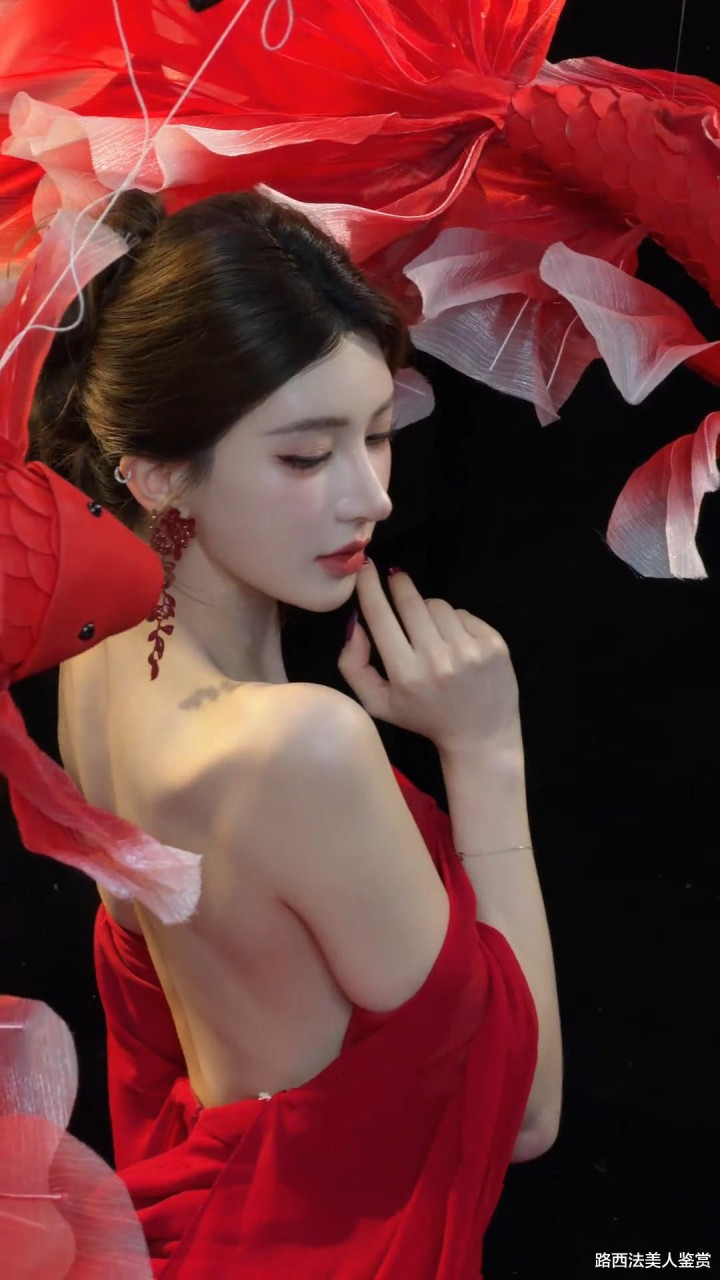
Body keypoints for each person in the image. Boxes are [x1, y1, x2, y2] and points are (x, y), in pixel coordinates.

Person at [31, 185, 562, 1277]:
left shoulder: (95, 672)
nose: (370, 496)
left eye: (379, 434)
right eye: (307, 456)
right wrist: (485, 750)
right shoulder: (300, 745)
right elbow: (523, 1115)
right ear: (158, 471)